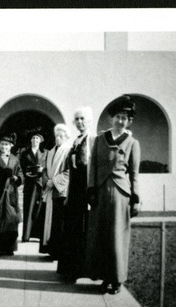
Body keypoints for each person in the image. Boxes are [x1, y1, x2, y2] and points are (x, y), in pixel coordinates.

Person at [85, 95, 141, 295]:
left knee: (117, 237)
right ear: (111, 119)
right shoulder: (99, 140)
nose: (120, 121)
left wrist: (136, 199)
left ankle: (117, 280)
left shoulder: (132, 143)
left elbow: (134, 173)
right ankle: (103, 277)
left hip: (120, 195)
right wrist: (91, 191)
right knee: (101, 236)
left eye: (125, 118)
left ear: (129, 121)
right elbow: (92, 167)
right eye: (118, 117)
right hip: (101, 192)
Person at [57, 107, 95, 280]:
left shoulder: (92, 140)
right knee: (72, 229)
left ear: (89, 121)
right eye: (77, 119)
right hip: (74, 191)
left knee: (83, 229)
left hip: (85, 191)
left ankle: (82, 270)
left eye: (82, 119)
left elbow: (92, 168)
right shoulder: (76, 141)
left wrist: (91, 192)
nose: (80, 122)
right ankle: (70, 270)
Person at [0, 132, 24, 256]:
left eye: (6, 145)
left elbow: (21, 173)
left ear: (11, 146)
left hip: (10, 193)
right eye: (2, 144)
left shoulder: (15, 159)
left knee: (11, 220)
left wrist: (16, 178)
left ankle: (9, 247)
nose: (4, 147)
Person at [41, 124, 73, 258]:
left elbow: (68, 172)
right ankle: (50, 249)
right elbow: (44, 170)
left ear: (66, 137)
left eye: (61, 136)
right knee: (50, 221)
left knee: (59, 222)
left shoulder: (68, 151)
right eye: (57, 136)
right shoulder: (51, 151)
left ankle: (58, 252)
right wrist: (46, 181)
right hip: (50, 191)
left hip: (61, 192)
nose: (58, 138)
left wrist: (53, 182)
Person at [19, 133, 48, 242]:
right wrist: (26, 174)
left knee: (40, 209)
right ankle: (26, 235)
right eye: (33, 138)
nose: (35, 140)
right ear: (31, 140)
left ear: (40, 141)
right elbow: (20, 167)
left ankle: (39, 235)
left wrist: (43, 169)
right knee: (29, 209)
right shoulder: (24, 153)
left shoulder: (45, 153)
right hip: (30, 184)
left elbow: (48, 166)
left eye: (37, 138)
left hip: (41, 183)